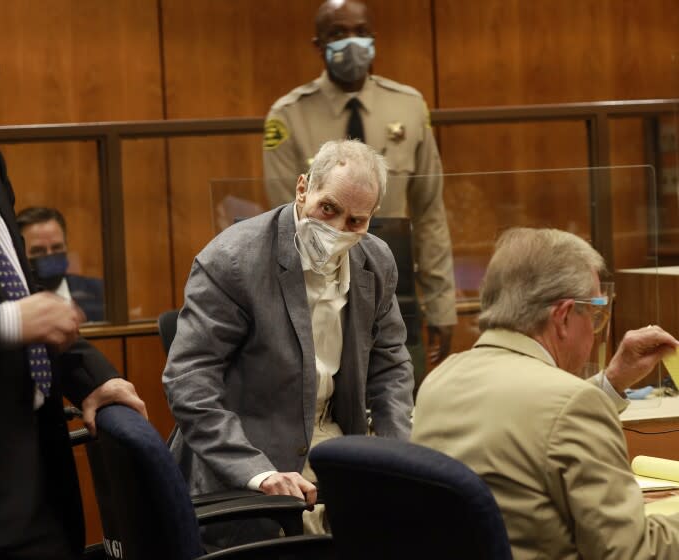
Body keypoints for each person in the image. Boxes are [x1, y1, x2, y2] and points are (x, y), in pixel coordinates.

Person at [0, 1, 146, 558]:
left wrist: (91, 376)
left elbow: (19, 288)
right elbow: (14, 312)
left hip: (36, 474)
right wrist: (6, 321)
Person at [164, 139, 413, 535]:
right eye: (327, 208)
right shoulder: (232, 260)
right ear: (302, 189)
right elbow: (188, 383)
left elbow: (391, 367)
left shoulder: (376, 261)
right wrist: (256, 471)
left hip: (335, 436)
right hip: (248, 447)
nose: (336, 229)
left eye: (355, 221)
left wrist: (398, 455)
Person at [410, 227, 679, 560]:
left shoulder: (440, 381)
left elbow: (532, 416)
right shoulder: (571, 404)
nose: (596, 331)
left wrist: (612, 380)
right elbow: (633, 553)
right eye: (595, 314)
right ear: (564, 316)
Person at [263, 0, 456, 365]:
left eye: (361, 32)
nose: (352, 42)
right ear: (319, 45)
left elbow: (430, 216)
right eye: (338, 34)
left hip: (395, 287)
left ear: (374, 38)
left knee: (400, 401)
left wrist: (442, 304)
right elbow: (288, 224)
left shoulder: (409, 106)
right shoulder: (289, 116)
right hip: (319, 291)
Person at [16, 206, 105, 322]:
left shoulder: (99, 293)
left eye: (57, 248)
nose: (50, 255)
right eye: (38, 251)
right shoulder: (13, 301)